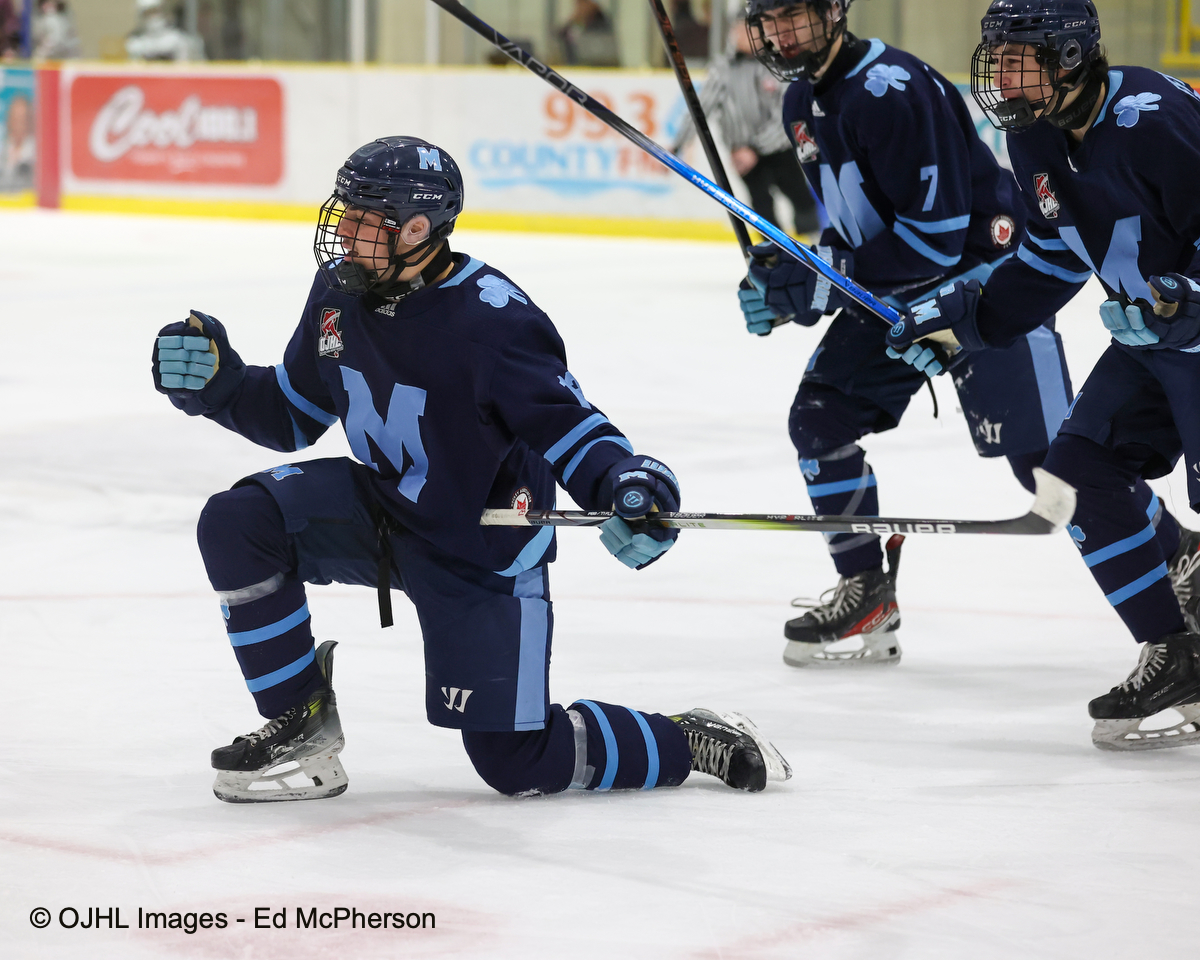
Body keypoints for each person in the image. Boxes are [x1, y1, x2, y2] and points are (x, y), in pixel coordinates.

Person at [151, 136, 791, 802]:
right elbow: (292, 413)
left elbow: (568, 427)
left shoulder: (493, 320)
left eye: (363, 217)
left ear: (418, 228)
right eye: (343, 211)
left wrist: (627, 481)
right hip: (379, 513)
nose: (341, 229)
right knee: (239, 522)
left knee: (515, 761)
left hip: (482, 548)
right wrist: (220, 386)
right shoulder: (338, 291)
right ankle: (299, 720)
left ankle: (681, 737)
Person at [885, 0, 1200, 750]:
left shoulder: (1155, 119)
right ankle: (1176, 654)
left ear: (1070, 57)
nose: (1002, 74)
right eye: (997, 57)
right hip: (1156, 343)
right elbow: (1052, 257)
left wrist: (1188, 300)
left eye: (1020, 57)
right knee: (1076, 473)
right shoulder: (1032, 140)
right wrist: (967, 322)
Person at [736, 0, 1073, 668]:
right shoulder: (801, 100)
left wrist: (825, 279)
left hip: (984, 286)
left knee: (1051, 470)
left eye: (795, 15)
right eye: (768, 20)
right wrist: (790, 279)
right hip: (897, 293)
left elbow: (937, 241)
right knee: (820, 421)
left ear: (834, 11)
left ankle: (1180, 564)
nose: (780, 33)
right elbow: (852, 228)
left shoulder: (890, 91)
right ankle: (865, 588)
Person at [672, 11, 819, 235]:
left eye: (748, 29)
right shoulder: (722, 70)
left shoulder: (778, 66)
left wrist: (755, 149)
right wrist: (678, 144)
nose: (741, 35)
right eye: (737, 29)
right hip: (741, 154)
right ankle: (777, 259)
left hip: (777, 151)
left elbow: (786, 115)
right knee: (761, 209)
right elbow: (701, 108)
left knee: (801, 199)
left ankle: (815, 251)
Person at [126, 0, 204, 62]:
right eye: (148, 13)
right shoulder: (136, 44)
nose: (153, 17)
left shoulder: (177, 40)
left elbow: (184, 69)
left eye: (155, 11)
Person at [558, 0, 618, 67]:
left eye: (581, 4)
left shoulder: (600, 26)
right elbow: (560, 35)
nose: (579, 8)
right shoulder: (578, 26)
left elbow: (596, 54)